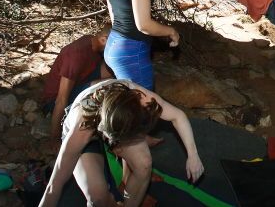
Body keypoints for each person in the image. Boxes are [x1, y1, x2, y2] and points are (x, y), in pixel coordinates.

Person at [38, 79, 204, 207]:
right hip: (90, 128)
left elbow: (178, 116)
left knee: (144, 164)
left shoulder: (140, 97)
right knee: (97, 198)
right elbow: (55, 185)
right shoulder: (81, 127)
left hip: (120, 122)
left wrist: (193, 155)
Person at [42, 29, 113, 142]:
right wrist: (54, 136)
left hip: (80, 80)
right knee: (106, 85)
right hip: (53, 101)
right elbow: (61, 99)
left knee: (111, 70)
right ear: (103, 40)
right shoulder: (75, 56)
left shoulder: (91, 42)